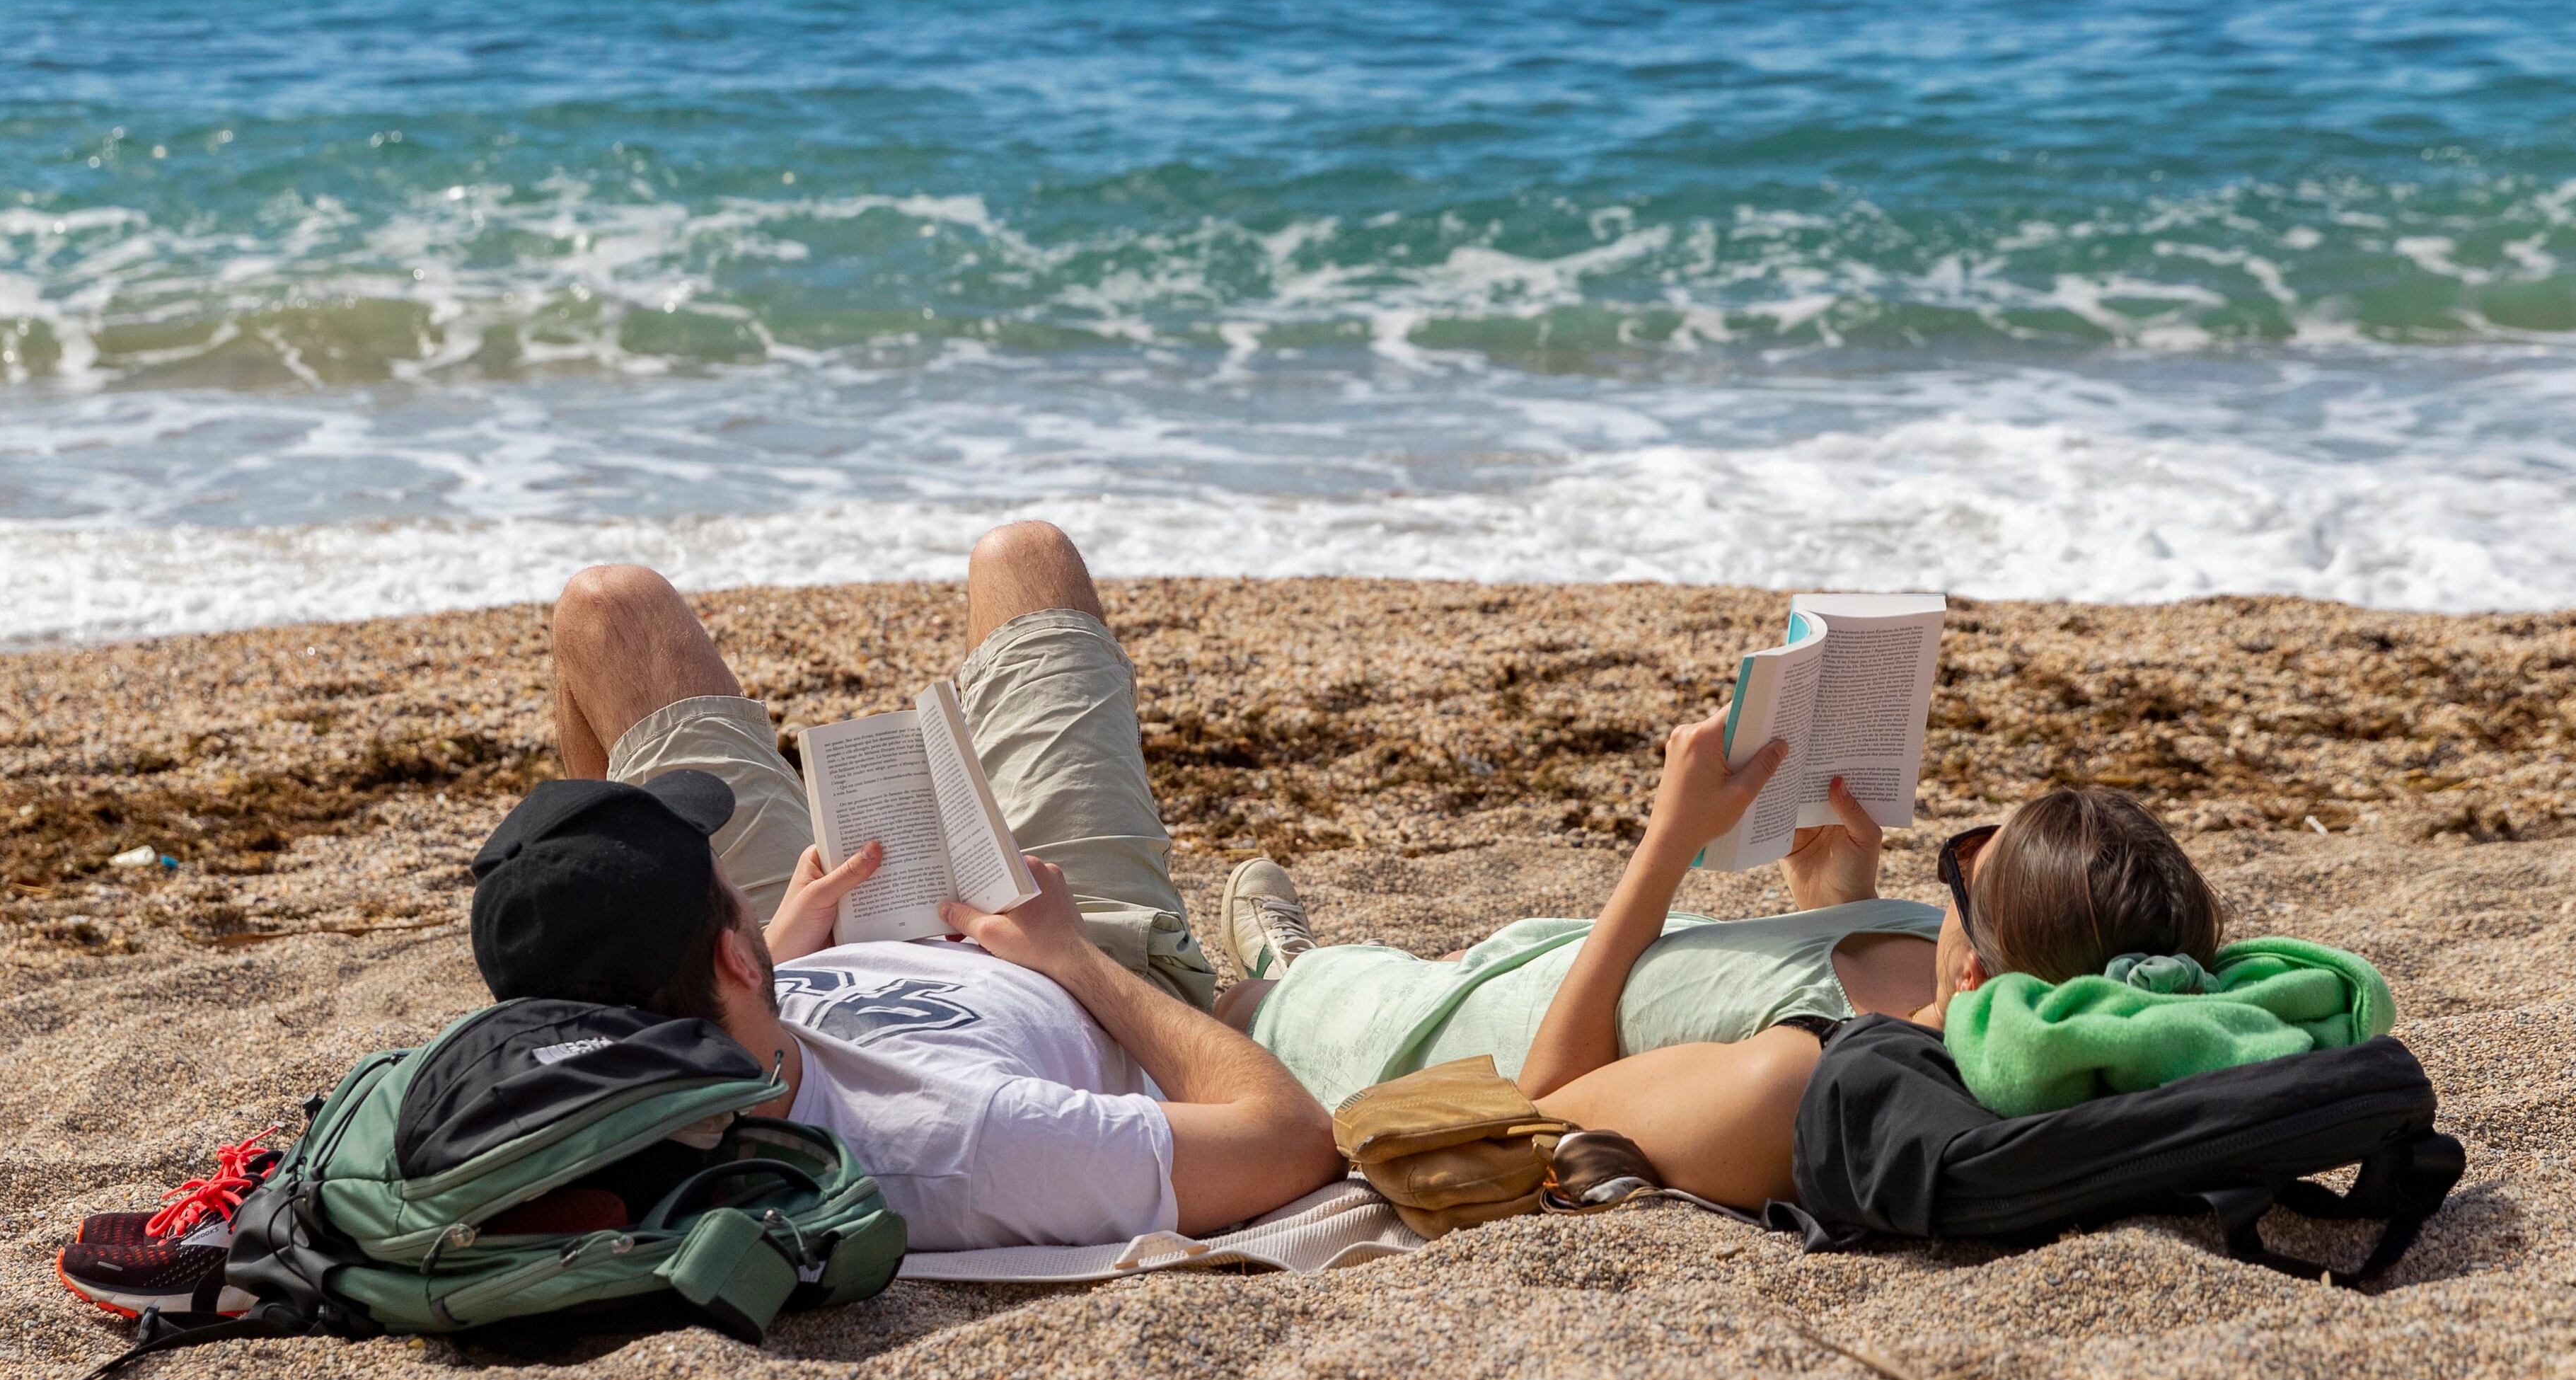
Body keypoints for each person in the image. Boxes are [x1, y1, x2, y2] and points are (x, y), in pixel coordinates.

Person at [535, 522, 1341, 1252]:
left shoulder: (588, 1065)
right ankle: (1273, 984)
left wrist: (772, 951)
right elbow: (1290, 1141)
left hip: (784, 971)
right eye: (711, 883)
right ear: (726, 955)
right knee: (1027, 558)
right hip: (1075, 965)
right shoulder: (971, 1142)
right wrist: (1069, 956)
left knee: (609, 607)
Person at [1220, 715, 2314, 1214]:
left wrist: (1666, 841)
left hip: (1378, 1028)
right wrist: (1837, 894)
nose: (1955, 867)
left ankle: (1274, 965)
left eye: (1966, 870)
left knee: (1039, 570)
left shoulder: (1789, 1085)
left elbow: (1541, 1103)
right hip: (1515, 959)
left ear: (1980, 977)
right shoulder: (1941, 990)